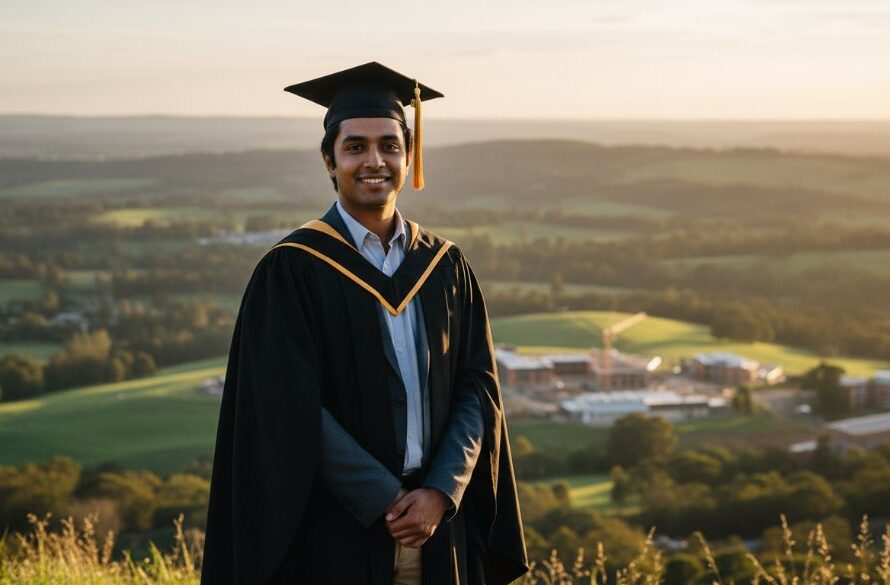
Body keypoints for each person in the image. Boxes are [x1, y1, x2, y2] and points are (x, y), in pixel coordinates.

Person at [201, 62, 528, 585]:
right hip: (334, 533)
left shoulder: (445, 266)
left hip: (440, 529)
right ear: (329, 160)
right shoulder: (294, 268)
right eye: (355, 147)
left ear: (409, 155)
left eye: (389, 145)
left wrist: (442, 491)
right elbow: (287, 406)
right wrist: (385, 500)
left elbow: (477, 388)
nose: (374, 160)